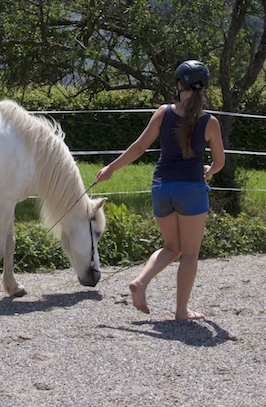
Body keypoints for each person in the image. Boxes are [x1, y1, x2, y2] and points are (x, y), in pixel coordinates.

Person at [94, 60, 225, 321]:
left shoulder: (163, 112)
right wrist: (209, 171)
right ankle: (181, 311)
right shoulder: (210, 122)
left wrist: (110, 169)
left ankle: (141, 281)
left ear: (179, 85)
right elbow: (220, 161)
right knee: (189, 253)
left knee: (171, 247)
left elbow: (139, 147)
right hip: (191, 191)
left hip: (162, 188)